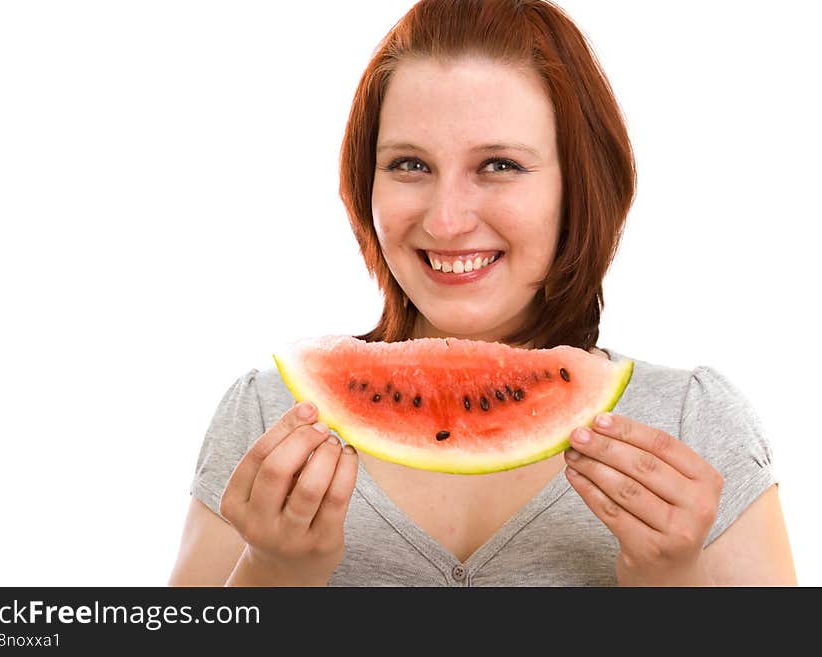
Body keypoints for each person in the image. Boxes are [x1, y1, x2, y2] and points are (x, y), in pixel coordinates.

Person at [168, 0, 796, 586]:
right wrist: (274, 574)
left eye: (499, 165)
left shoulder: (690, 422)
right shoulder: (268, 419)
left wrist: (672, 588)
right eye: (409, 165)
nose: (445, 221)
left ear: (579, 184)